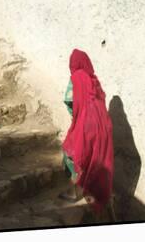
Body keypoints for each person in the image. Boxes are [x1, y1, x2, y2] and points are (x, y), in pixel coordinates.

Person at [60, 49, 114, 216]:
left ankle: (76, 191)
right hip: (104, 126)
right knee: (97, 160)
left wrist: (75, 118)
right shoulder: (94, 78)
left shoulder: (77, 77)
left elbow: (69, 99)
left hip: (87, 125)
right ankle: (97, 196)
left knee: (74, 154)